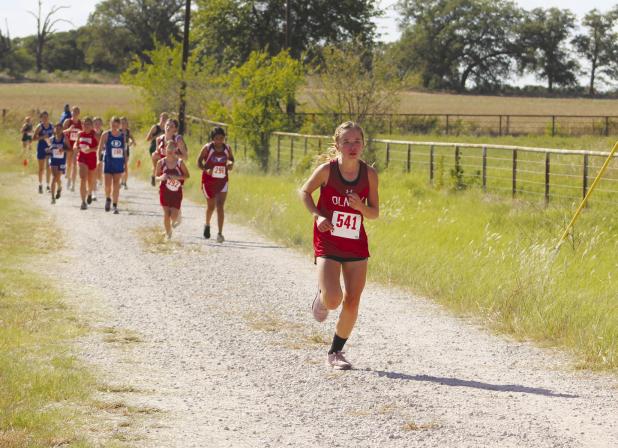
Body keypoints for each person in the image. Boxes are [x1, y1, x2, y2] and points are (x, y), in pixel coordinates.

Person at [299, 121, 379, 370]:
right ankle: (323, 297)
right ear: (337, 145)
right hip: (328, 238)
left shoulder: (369, 174)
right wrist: (318, 215)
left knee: (353, 300)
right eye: (347, 142)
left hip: (355, 243)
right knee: (334, 299)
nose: (352, 146)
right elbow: (304, 192)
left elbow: (374, 213)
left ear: (363, 144)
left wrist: (361, 208)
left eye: (357, 142)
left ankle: (335, 352)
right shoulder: (327, 170)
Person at [197, 127, 235, 242]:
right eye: (217, 138)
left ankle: (220, 233)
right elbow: (198, 162)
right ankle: (207, 224)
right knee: (211, 207)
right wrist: (206, 170)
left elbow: (232, 160)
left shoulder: (227, 148)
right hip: (209, 181)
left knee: (220, 206)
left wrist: (230, 164)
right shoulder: (207, 148)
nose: (219, 141)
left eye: (222, 138)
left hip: (222, 181)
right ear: (212, 139)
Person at [156, 140, 190, 239]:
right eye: (168, 147)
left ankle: (178, 214)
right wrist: (161, 177)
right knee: (166, 214)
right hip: (164, 191)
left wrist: (176, 177)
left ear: (176, 150)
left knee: (173, 217)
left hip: (176, 192)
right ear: (165, 149)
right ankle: (168, 233)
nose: (170, 150)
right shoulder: (161, 162)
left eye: (172, 147)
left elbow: (187, 176)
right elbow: (156, 177)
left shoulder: (180, 163)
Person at [99, 117, 126, 214]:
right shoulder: (106, 134)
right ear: (110, 124)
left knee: (116, 185)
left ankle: (115, 206)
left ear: (119, 125)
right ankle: (108, 199)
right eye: (113, 125)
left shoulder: (122, 135)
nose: (115, 127)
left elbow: (124, 150)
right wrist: (99, 160)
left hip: (118, 163)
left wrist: (125, 164)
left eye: (116, 125)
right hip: (108, 162)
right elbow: (100, 148)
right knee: (107, 185)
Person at [74, 117, 99, 210]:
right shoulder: (80, 134)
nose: (86, 126)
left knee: (91, 179)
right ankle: (83, 202)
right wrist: (75, 147)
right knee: (82, 178)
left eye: (88, 124)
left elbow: (99, 147)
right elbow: (76, 144)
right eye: (84, 124)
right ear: (82, 125)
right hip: (82, 158)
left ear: (91, 126)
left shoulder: (95, 134)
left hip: (92, 158)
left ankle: (89, 193)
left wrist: (90, 149)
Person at [48, 123, 70, 204]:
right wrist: (49, 149)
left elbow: (70, 149)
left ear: (62, 130)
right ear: (54, 129)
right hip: (53, 160)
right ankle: (53, 197)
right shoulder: (52, 139)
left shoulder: (65, 139)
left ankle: (60, 187)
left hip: (61, 161)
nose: (58, 130)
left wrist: (63, 150)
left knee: (57, 177)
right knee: (54, 177)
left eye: (59, 129)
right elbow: (50, 148)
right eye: (56, 129)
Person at [33, 111, 54, 194]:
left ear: (48, 117)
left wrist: (52, 140)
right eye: (43, 117)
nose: (45, 119)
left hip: (49, 148)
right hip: (41, 148)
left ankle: (48, 185)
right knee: (41, 168)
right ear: (41, 118)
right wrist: (42, 137)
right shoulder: (39, 127)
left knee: (48, 167)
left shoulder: (51, 126)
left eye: (46, 117)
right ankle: (40, 185)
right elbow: (33, 138)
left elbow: (55, 135)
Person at [146, 112, 168, 186]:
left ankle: (155, 177)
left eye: (166, 118)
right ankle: (155, 177)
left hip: (163, 148)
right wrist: (157, 136)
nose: (164, 120)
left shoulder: (167, 129)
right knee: (157, 165)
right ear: (160, 118)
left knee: (160, 165)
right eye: (163, 118)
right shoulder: (155, 127)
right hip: (153, 148)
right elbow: (147, 139)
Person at [63, 106, 82, 191]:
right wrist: (69, 129)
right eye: (74, 112)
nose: (75, 113)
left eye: (77, 112)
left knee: (75, 164)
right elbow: (61, 132)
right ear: (71, 112)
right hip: (68, 144)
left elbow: (83, 134)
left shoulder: (81, 123)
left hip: (76, 145)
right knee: (69, 163)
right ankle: (68, 178)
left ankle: (73, 183)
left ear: (79, 113)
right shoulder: (68, 121)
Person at [120, 116, 135, 190]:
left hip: (126, 151)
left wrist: (131, 143)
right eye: (121, 123)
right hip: (118, 151)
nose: (123, 124)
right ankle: (120, 181)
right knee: (119, 167)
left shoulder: (128, 131)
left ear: (127, 124)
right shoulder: (117, 131)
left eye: (124, 123)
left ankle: (124, 182)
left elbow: (132, 139)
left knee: (125, 167)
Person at [92, 116, 104, 201]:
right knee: (94, 172)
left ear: (101, 124)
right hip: (92, 153)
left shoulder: (104, 133)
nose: (97, 125)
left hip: (102, 153)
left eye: (99, 123)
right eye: (95, 123)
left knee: (99, 170)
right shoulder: (91, 133)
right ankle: (94, 193)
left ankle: (100, 180)